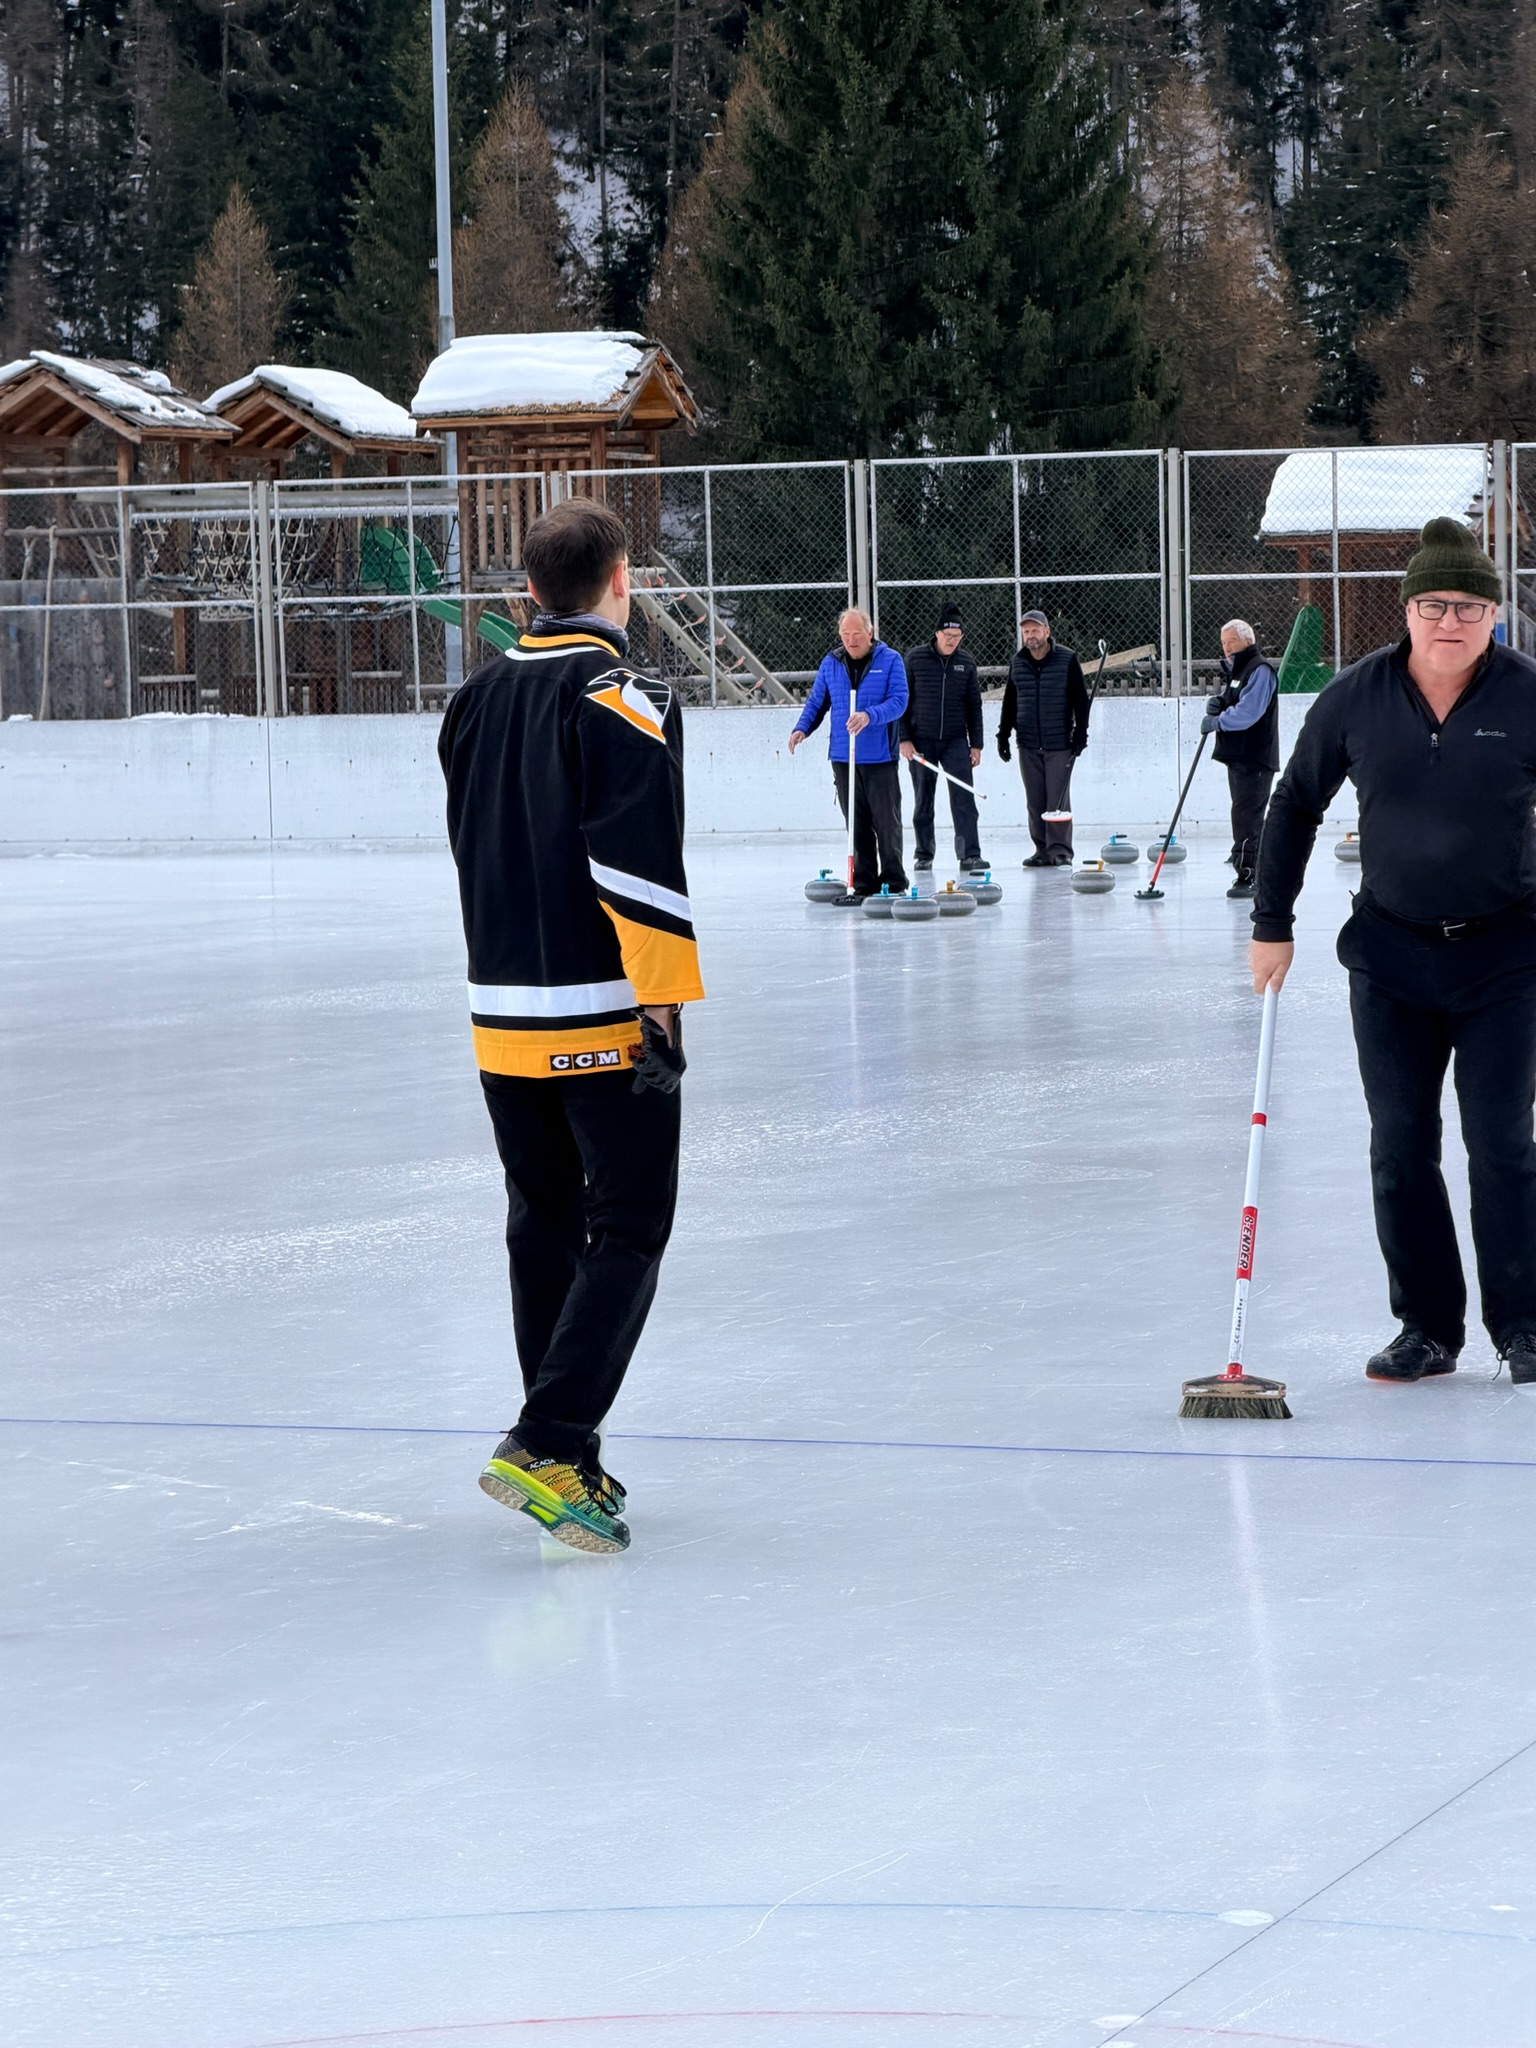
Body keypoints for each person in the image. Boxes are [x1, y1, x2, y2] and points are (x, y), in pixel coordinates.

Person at [438, 498, 705, 1554]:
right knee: (629, 1223)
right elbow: (637, 860)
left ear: (529, 592)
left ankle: (569, 1456)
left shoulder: (472, 698)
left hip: (499, 1012)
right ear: (621, 581)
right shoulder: (623, 693)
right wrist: (662, 1004)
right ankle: (549, 1438)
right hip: (597, 1010)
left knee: (542, 1221)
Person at [1250, 515, 1536, 1387]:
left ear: (1494, 615)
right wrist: (1271, 923)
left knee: (1501, 1146)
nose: (1451, 621)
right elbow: (1295, 802)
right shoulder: (1356, 698)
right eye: (1435, 605)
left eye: (1470, 607)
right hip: (1390, 961)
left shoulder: (1526, 695)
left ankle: (1524, 1324)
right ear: (1407, 611)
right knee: (1401, 1145)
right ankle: (1426, 1327)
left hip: (1504, 960)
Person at [788, 607, 908, 894]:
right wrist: (802, 728)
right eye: (845, 634)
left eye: (857, 634)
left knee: (886, 823)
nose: (851, 640)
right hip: (843, 756)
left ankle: (893, 881)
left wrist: (869, 716)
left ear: (870, 632)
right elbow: (817, 702)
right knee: (856, 822)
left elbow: (899, 701)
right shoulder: (831, 663)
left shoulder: (890, 660)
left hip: (879, 757)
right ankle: (864, 881)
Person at [899, 601, 988, 874]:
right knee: (923, 799)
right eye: (948, 635)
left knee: (964, 797)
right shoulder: (915, 659)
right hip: (921, 741)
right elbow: (902, 701)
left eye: (957, 636)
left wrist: (976, 744)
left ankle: (969, 854)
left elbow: (974, 705)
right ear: (937, 633)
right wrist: (904, 738)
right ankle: (924, 853)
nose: (952, 641)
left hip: (955, 741)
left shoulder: (966, 662)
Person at [998, 609, 1090, 866]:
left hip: (1059, 743)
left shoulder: (1067, 659)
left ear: (1047, 632)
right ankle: (1041, 849)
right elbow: (1010, 701)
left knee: (1057, 801)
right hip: (1028, 743)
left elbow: (1080, 700)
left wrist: (1080, 733)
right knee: (1035, 800)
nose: (1030, 636)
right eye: (1026, 631)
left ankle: (1060, 850)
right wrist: (1003, 735)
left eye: (1035, 630)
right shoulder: (1017, 662)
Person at [1201, 620, 1279, 901]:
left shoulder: (1260, 670)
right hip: (1239, 756)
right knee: (1242, 814)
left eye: (1231, 641)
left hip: (1254, 756)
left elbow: (1249, 712)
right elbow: (1235, 699)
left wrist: (1218, 722)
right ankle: (1248, 865)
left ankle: (1249, 873)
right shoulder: (1239, 670)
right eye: (1223, 642)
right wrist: (1220, 703)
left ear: (1248, 640)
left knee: (1248, 817)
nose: (1226, 647)